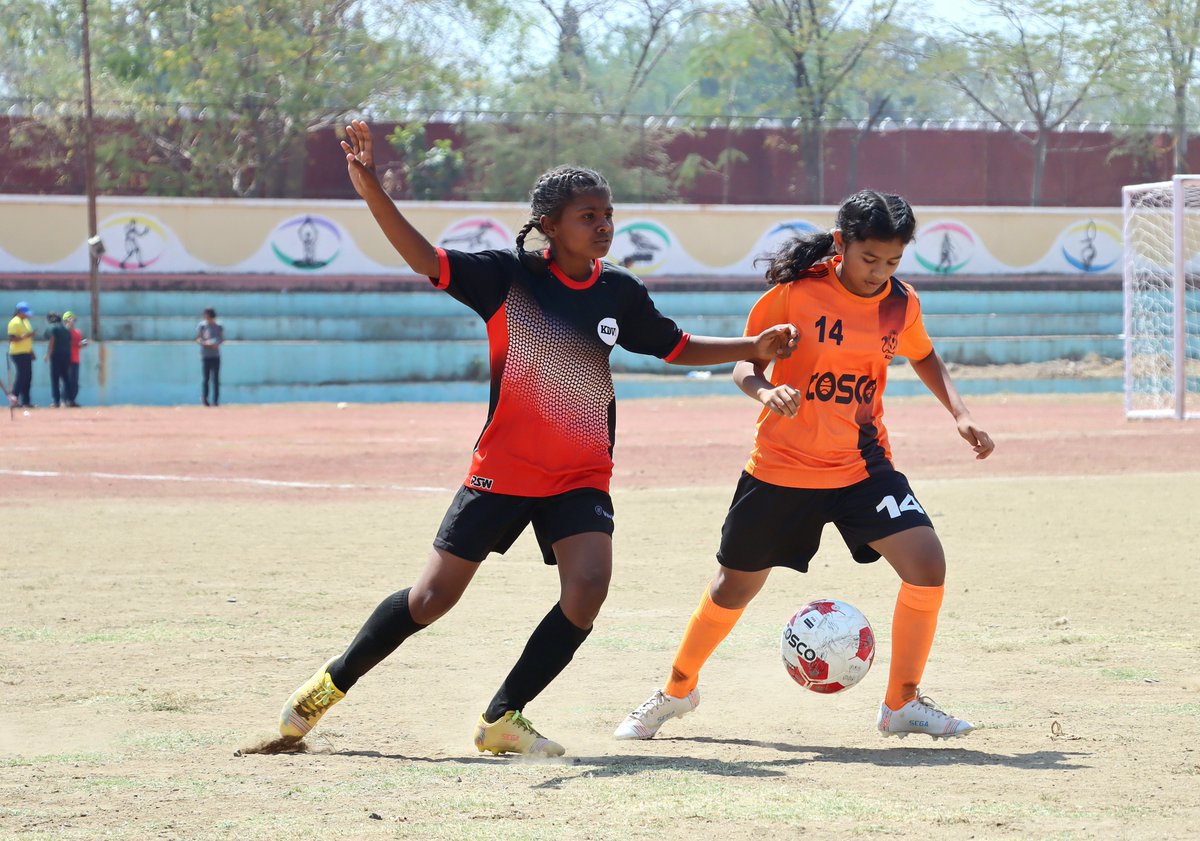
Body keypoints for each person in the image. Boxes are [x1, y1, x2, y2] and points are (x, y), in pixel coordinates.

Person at [276, 119, 798, 757]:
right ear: (549, 225)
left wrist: (753, 346)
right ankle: (329, 686)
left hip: (580, 475)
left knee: (587, 588)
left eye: (607, 214)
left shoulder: (619, 291)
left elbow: (675, 346)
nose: (603, 225)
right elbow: (426, 260)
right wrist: (370, 189)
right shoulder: (506, 278)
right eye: (587, 215)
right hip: (505, 469)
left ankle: (504, 716)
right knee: (431, 599)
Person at [614, 190, 995, 743]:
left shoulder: (901, 303)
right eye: (869, 260)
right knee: (731, 590)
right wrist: (766, 392)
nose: (879, 273)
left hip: (862, 466)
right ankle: (676, 691)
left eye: (892, 262)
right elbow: (746, 366)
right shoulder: (794, 297)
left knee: (927, 565)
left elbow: (922, 352)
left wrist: (960, 414)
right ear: (840, 244)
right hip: (781, 470)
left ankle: (902, 703)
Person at [7, 301, 36, 408]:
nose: (27, 315)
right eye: (25, 313)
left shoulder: (26, 321)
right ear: (19, 312)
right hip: (17, 353)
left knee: (28, 376)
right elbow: (12, 338)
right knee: (21, 376)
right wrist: (26, 336)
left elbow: (28, 338)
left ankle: (26, 402)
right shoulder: (14, 322)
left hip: (26, 353)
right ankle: (14, 399)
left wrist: (31, 351)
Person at [195, 308, 223, 406]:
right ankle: (205, 399)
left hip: (215, 355)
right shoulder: (202, 326)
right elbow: (198, 338)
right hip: (206, 355)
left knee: (216, 379)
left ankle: (215, 401)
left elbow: (221, 339)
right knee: (206, 379)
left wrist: (216, 344)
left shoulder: (218, 326)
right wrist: (204, 343)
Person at [44, 312, 71, 408]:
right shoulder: (66, 329)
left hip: (56, 356)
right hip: (66, 355)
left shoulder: (53, 328)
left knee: (55, 378)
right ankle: (69, 400)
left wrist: (48, 354)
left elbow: (52, 340)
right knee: (66, 378)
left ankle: (56, 401)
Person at [62, 311, 88, 407]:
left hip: (76, 359)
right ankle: (64, 401)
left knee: (75, 382)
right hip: (67, 360)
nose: (73, 322)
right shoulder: (64, 332)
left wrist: (82, 344)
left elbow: (78, 345)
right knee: (67, 381)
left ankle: (72, 400)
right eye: (71, 320)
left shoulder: (77, 332)